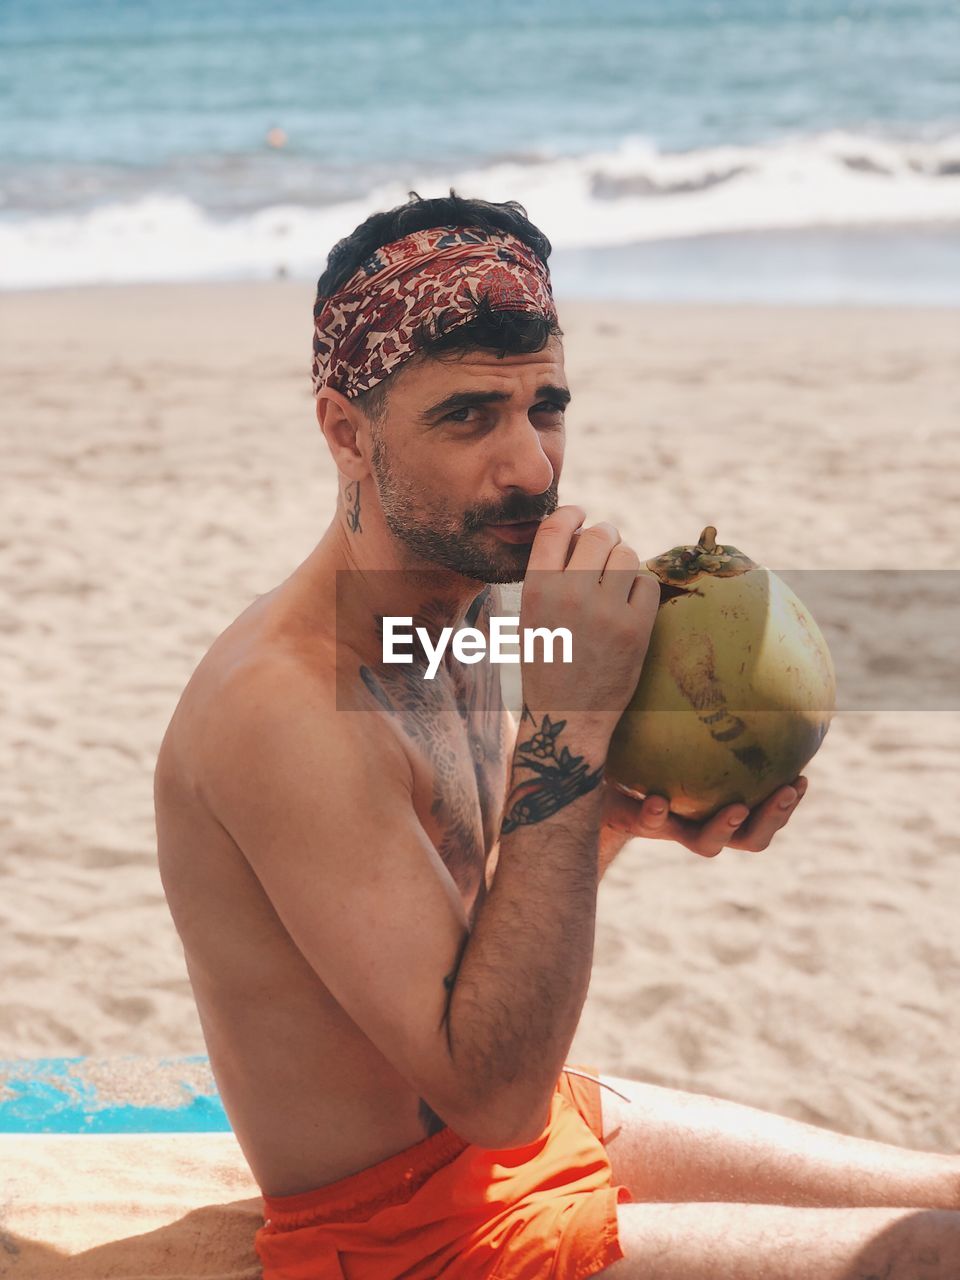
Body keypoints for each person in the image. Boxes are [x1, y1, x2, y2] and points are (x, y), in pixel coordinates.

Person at [155, 191, 960, 1279]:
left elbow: (478, 941)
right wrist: (570, 732)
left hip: (542, 1131)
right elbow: (486, 1090)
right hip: (411, 1239)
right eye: (468, 416)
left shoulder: (468, 604)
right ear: (345, 429)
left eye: (546, 406)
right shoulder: (284, 712)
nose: (533, 468)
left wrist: (609, 813)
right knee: (923, 1251)